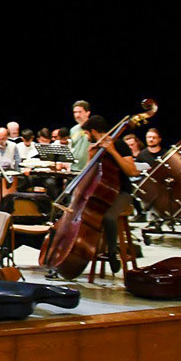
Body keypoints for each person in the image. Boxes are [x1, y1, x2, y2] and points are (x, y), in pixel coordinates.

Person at [79, 115, 139, 273]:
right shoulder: (96, 148)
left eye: (87, 133)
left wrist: (113, 152)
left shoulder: (119, 144)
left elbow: (132, 172)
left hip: (122, 193)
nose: (87, 137)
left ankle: (113, 252)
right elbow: (86, 177)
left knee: (109, 217)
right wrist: (89, 159)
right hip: (102, 194)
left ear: (93, 131)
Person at [69, 100, 91, 172]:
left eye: (80, 112)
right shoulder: (73, 130)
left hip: (88, 167)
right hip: (74, 167)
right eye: (75, 112)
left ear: (88, 113)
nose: (77, 115)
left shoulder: (93, 128)